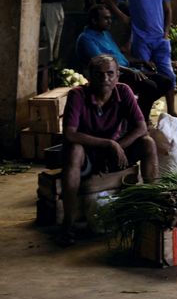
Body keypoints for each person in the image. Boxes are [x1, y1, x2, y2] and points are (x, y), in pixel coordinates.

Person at [58, 54, 158, 246]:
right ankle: (68, 224)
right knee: (74, 150)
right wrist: (108, 144)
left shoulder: (124, 91)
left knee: (148, 143)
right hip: (88, 154)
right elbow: (70, 134)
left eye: (110, 74)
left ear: (118, 75)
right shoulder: (77, 95)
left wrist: (117, 146)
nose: (105, 79)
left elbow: (141, 127)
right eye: (99, 74)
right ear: (89, 76)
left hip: (114, 154)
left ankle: (151, 209)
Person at [104, 0, 177, 117]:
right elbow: (109, 0)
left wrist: (166, 33)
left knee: (169, 76)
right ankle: (142, 114)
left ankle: (172, 110)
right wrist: (122, 16)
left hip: (160, 40)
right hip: (141, 40)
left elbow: (168, 10)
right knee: (143, 78)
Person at [76, 4, 172, 120]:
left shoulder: (105, 34)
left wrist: (141, 61)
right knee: (149, 86)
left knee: (166, 82)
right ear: (94, 20)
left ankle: (137, 114)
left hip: (125, 72)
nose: (110, 21)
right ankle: (141, 119)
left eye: (110, 18)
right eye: (106, 18)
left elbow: (121, 57)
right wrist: (129, 70)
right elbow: (102, 65)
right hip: (108, 77)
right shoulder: (86, 38)